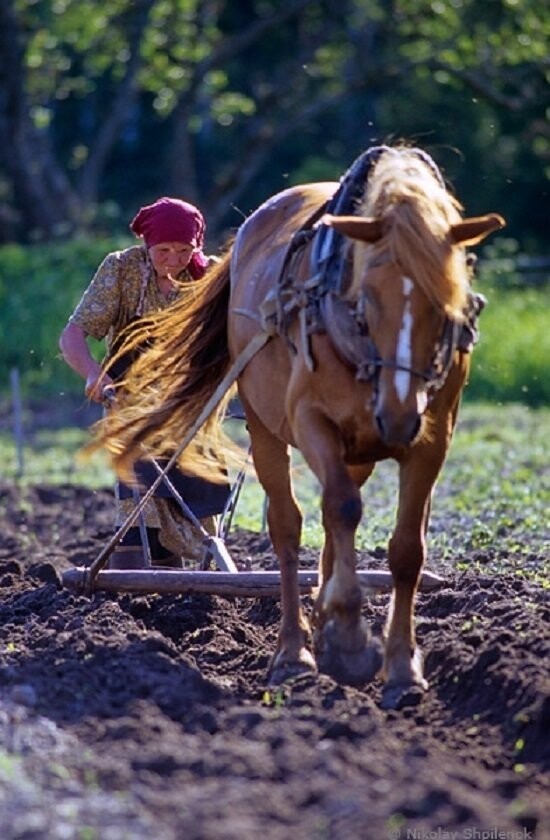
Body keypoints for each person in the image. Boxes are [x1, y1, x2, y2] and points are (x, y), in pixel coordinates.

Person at [59, 197, 231, 569]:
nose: (173, 259)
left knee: (197, 495)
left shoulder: (211, 277)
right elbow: (73, 336)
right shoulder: (121, 269)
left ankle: (193, 584)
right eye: (164, 250)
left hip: (189, 400)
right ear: (147, 245)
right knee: (140, 498)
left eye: (185, 250)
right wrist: (94, 374)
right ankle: (134, 584)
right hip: (130, 397)